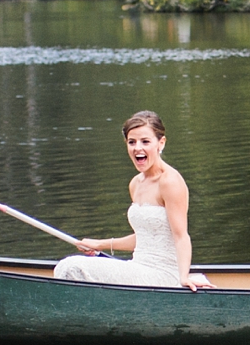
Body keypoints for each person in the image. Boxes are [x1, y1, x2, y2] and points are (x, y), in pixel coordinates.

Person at [52, 111, 209, 288]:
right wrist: (99, 244)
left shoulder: (170, 181)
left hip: (164, 274)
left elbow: (181, 236)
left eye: (145, 141)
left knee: (70, 267)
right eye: (131, 142)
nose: (137, 148)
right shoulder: (135, 183)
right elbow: (146, 236)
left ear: (161, 143)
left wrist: (184, 277)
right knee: (67, 267)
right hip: (138, 267)